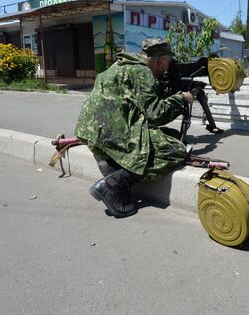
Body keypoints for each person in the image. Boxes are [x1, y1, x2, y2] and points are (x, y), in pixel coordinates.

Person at [75, 38, 194, 218]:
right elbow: (157, 114)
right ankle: (111, 185)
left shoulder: (123, 64)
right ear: (161, 60)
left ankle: (112, 168)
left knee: (169, 135)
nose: (168, 68)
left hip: (91, 130)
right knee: (176, 149)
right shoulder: (141, 72)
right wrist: (181, 98)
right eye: (168, 63)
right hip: (109, 133)